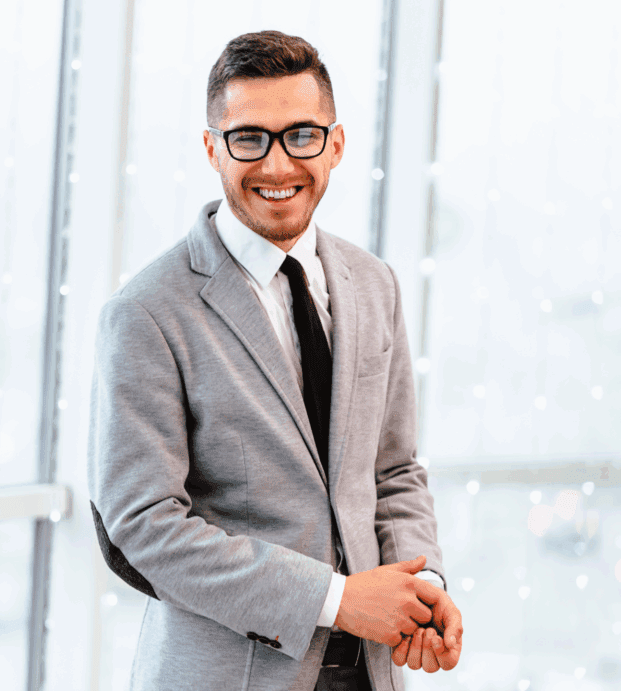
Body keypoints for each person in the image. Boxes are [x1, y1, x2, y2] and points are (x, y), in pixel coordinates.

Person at [87, 30, 463, 691]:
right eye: (249, 138)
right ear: (213, 148)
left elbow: (393, 470)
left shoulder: (374, 284)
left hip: (373, 671)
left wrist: (422, 584)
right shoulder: (145, 311)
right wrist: (336, 599)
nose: (278, 163)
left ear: (335, 144)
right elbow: (142, 525)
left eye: (301, 135)